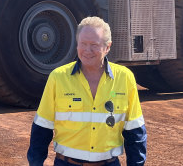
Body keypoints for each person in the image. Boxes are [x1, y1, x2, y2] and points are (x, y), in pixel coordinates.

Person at [27, 16, 147, 166]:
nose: (87, 50)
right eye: (83, 44)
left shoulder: (125, 78)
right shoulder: (58, 78)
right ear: (77, 44)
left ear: (107, 47)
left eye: (94, 45)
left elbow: (135, 131)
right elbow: (42, 128)